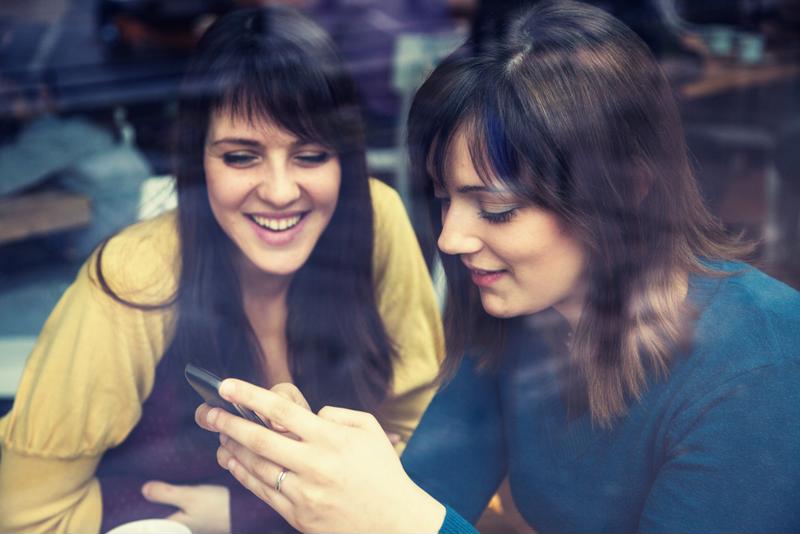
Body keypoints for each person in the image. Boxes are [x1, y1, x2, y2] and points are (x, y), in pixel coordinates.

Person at [193, 1, 800, 532]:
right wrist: (319, 486)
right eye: (445, 197)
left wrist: (408, 522)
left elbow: (416, 516)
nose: (452, 238)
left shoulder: (760, 369)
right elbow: (427, 491)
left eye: (497, 209)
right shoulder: (526, 317)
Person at [0, 6, 443, 534]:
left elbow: (419, 438)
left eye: (310, 156)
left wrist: (249, 515)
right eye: (241, 157)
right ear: (195, 161)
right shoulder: (136, 278)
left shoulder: (377, 220)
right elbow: (27, 515)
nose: (280, 191)